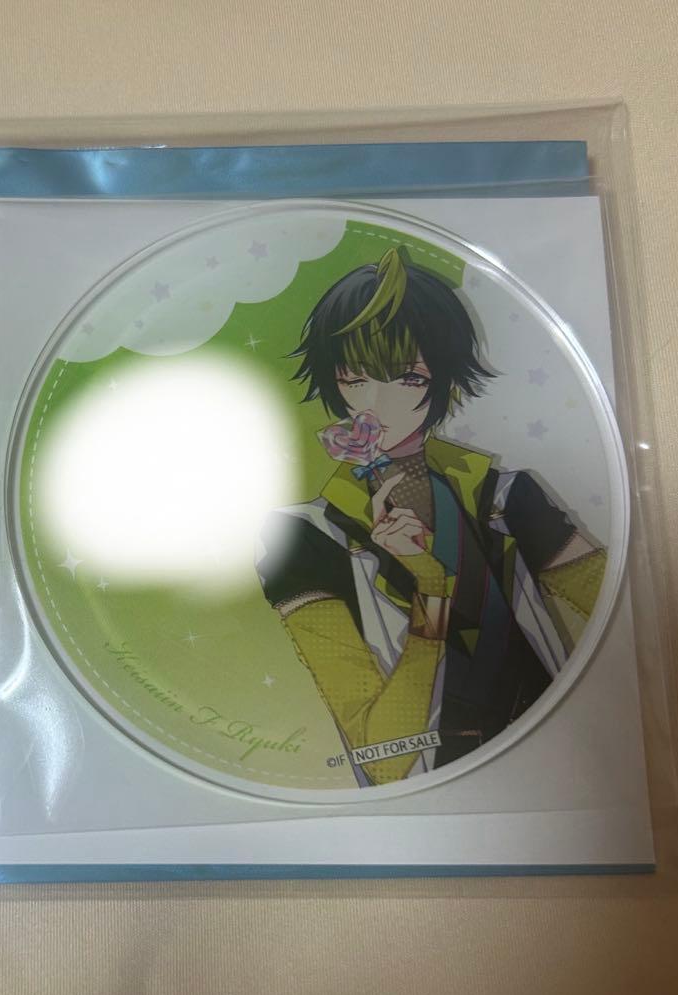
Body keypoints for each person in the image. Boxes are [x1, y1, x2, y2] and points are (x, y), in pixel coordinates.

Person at [255, 245, 606, 786]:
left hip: (561, 761)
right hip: (435, 788)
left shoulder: (505, 496)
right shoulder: (304, 538)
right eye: (355, 378)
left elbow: (629, 612)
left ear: (444, 380)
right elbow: (382, 755)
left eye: (409, 379)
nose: (377, 404)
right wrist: (431, 591)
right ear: (333, 382)